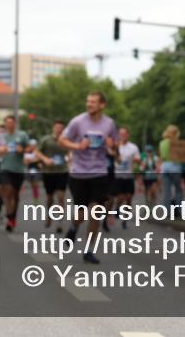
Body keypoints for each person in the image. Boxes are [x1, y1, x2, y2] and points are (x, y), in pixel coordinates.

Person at [58, 91, 118, 264]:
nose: (89, 104)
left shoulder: (109, 124)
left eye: (93, 102)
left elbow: (114, 146)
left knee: (96, 212)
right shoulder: (78, 121)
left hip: (99, 172)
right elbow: (62, 140)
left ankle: (89, 250)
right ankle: (73, 228)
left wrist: (111, 145)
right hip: (79, 173)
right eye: (88, 101)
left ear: (102, 105)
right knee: (81, 214)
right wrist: (77, 145)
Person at [35, 119, 69, 232]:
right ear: (54, 128)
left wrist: (71, 159)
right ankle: (49, 215)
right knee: (50, 198)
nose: (59, 129)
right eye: (57, 127)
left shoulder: (66, 141)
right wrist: (45, 159)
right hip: (48, 172)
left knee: (60, 197)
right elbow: (37, 152)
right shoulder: (46, 140)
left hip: (62, 171)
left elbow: (71, 151)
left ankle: (59, 222)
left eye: (61, 128)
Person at [0, 114, 30, 232]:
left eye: (11, 122)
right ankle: (8, 216)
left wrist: (22, 150)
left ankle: (13, 217)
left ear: (15, 124)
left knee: (15, 196)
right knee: (8, 193)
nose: (9, 124)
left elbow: (29, 148)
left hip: (18, 169)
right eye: (7, 122)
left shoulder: (22, 135)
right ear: (5, 124)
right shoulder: (1, 137)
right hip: (5, 168)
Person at [113, 126, 140, 229]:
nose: (122, 136)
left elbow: (138, 159)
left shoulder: (133, 147)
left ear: (128, 135)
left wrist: (137, 162)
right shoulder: (115, 146)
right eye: (121, 134)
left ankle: (125, 220)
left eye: (124, 134)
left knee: (129, 199)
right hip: (118, 176)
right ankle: (118, 207)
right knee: (120, 198)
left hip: (129, 176)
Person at [159, 125, 184, 211]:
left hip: (165, 167)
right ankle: (179, 210)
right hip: (175, 167)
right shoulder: (176, 143)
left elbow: (162, 156)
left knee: (167, 191)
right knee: (178, 190)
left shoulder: (162, 143)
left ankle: (167, 212)